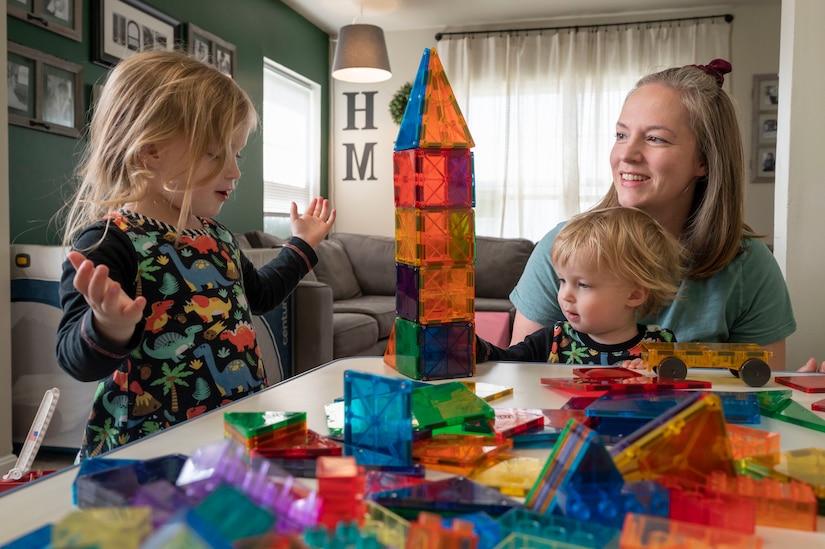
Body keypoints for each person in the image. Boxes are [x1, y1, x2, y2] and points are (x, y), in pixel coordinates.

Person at [56, 50, 336, 460]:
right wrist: (108, 325)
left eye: (236, 154)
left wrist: (303, 244)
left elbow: (260, 295)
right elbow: (74, 359)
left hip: (228, 440)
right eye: (214, 153)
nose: (235, 171)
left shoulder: (218, 236)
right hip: (146, 454)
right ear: (151, 151)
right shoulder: (108, 242)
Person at [509, 59, 796, 370]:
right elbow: (521, 379)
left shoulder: (748, 265)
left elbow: (763, 389)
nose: (626, 155)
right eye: (621, 135)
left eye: (655, 138)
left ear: (704, 161)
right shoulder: (560, 245)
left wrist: (797, 392)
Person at [477, 207, 682, 365]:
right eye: (562, 281)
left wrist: (651, 374)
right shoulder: (553, 339)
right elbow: (505, 361)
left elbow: (678, 392)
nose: (566, 295)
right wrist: (476, 347)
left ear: (634, 294)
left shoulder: (660, 345)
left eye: (583, 285)